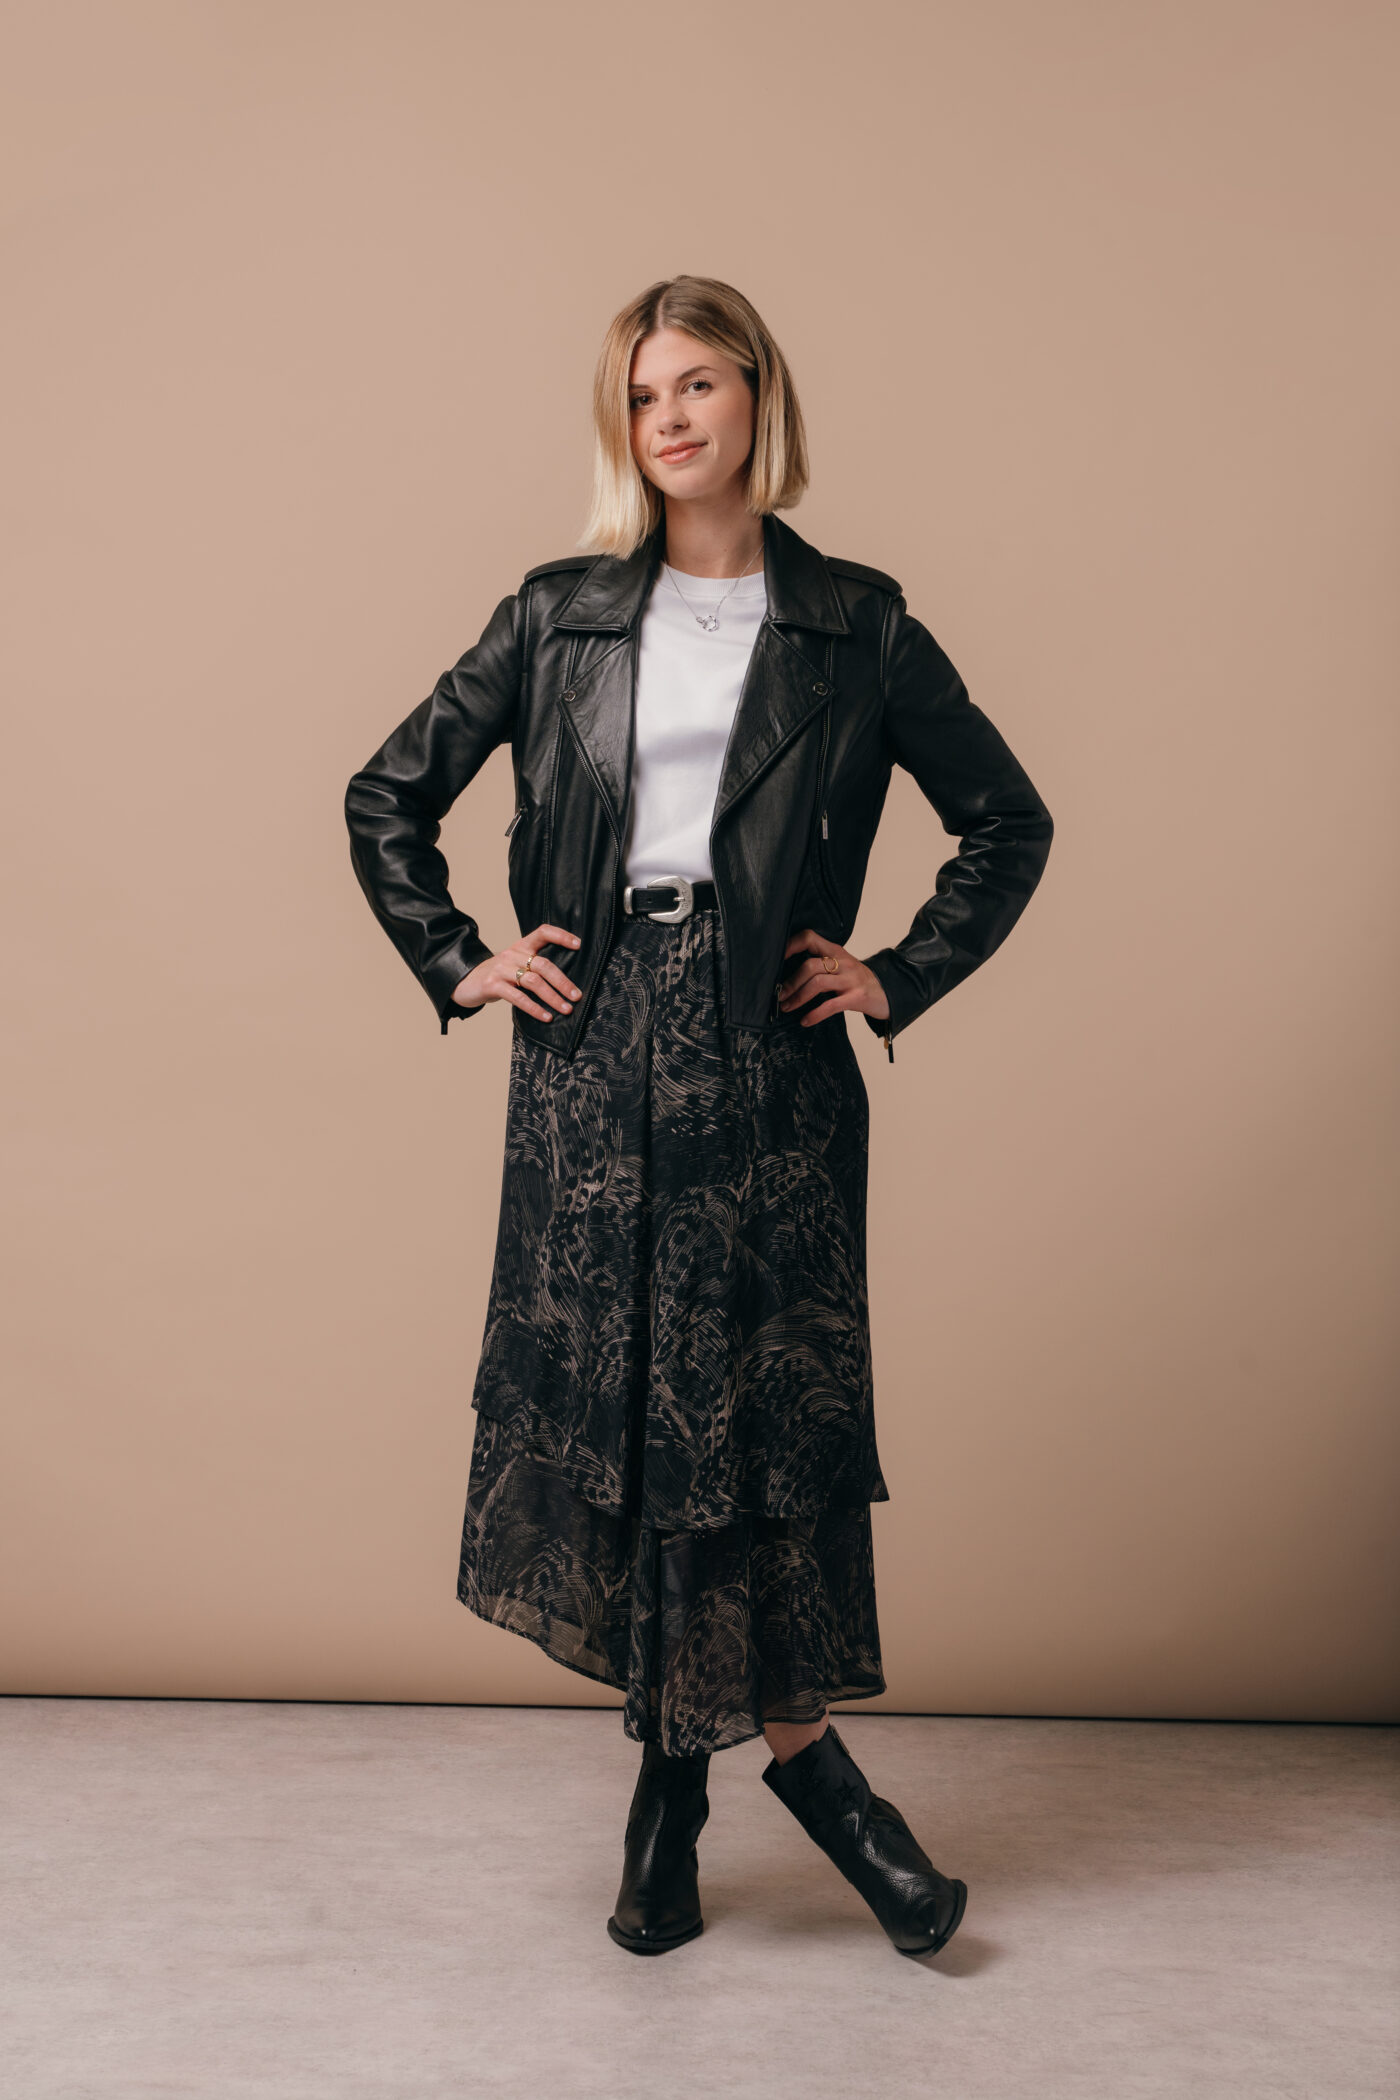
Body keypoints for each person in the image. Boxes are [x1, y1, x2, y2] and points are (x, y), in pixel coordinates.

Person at [344, 274, 1053, 1960]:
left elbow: (1006, 821)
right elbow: (387, 795)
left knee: (756, 1418)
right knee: (639, 1415)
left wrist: (895, 972)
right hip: (592, 1059)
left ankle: (728, 1791)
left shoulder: (858, 625)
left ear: (757, 397)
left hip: (770, 1063)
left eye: (699, 385)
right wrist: (457, 959)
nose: (670, 418)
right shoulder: (560, 614)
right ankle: (730, 1793)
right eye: (643, 393)